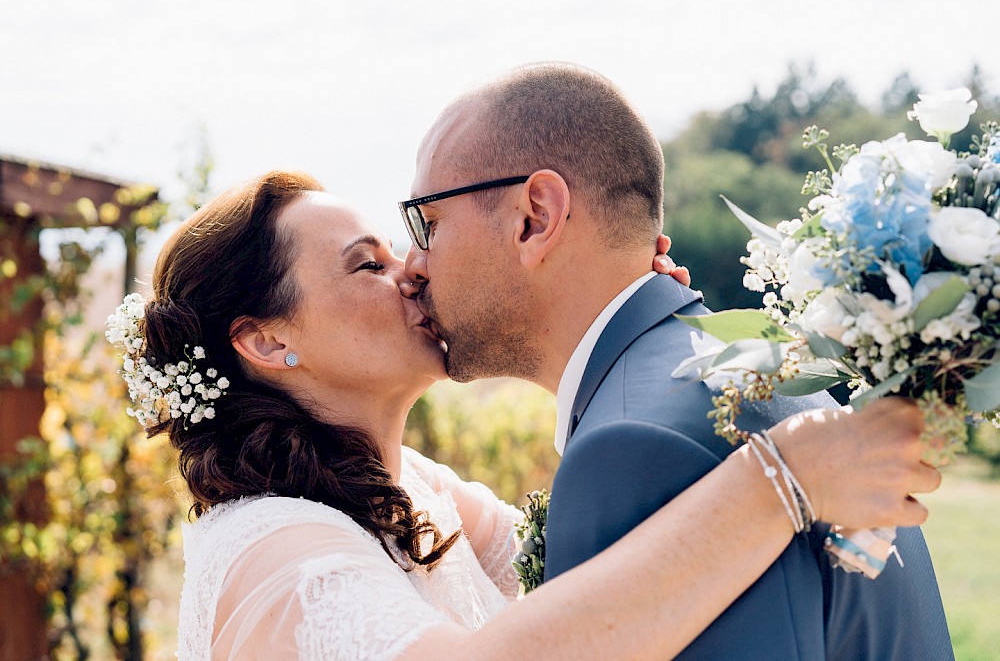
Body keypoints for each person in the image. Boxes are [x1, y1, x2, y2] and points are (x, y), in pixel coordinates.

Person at [117, 171, 939, 660]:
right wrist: (781, 481)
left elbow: (599, 583)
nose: (411, 271)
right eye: (367, 263)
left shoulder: (421, 494)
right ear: (268, 339)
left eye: (402, 248)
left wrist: (603, 318)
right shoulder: (271, 543)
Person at [400, 62, 953, 659]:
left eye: (429, 222)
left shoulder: (636, 447)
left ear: (535, 217)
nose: (413, 263)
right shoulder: (755, 360)